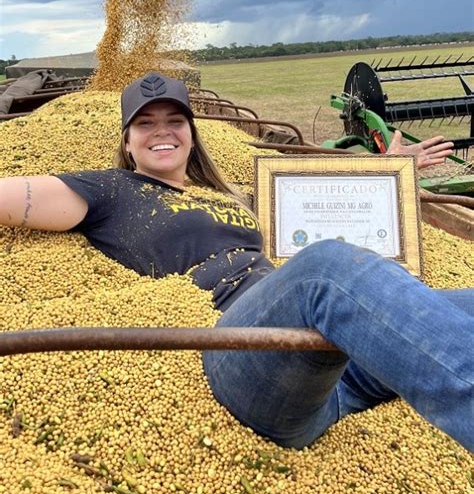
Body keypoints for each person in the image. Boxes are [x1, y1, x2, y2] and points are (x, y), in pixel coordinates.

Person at [0, 72, 472, 451]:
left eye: (175, 120)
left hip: (331, 369)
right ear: (127, 141)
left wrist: (386, 167)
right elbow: (11, 196)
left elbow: (322, 205)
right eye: (145, 123)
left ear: (191, 134)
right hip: (247, 361)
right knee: (326, 268)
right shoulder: (108, 190)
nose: (161, 131)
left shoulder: (231, 196)